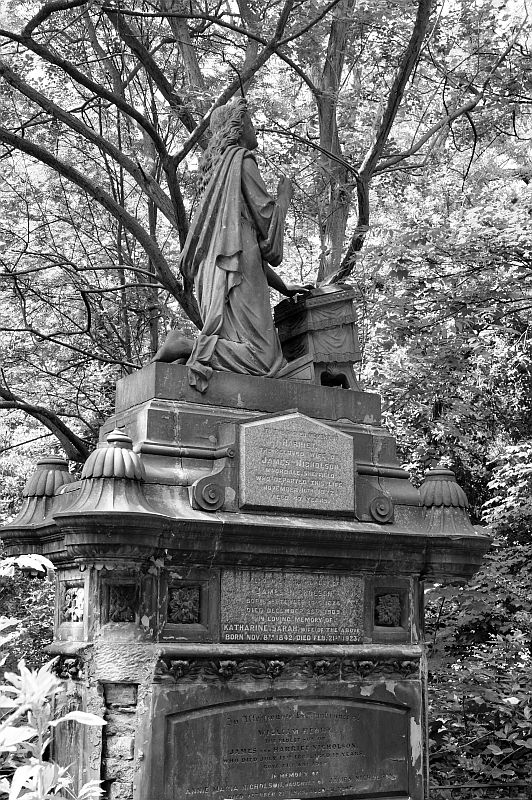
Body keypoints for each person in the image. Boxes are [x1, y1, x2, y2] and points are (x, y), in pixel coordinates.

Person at [152, 97, 309, 392]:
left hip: (218, 268)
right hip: (238, 267)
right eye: (250, 123)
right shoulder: (241, 160)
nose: (256, 131)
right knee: (264, 360)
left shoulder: (216, 172)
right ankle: (186, 344)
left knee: (252, 350)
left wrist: (283, 287)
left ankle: (190, 345)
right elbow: (265, 223)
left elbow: (241, 244)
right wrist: (284, 197)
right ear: (238, 128)